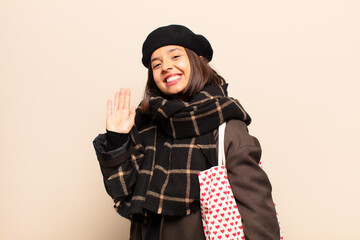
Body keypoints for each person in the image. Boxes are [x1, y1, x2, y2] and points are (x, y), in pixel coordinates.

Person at [93, 24, 280, 240]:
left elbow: (256, 205)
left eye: (175, 56)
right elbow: (123, 190)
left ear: (197, 60)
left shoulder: (225, 124)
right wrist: (118, 139)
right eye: (157, 64)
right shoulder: (147, 124)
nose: (165, 67)